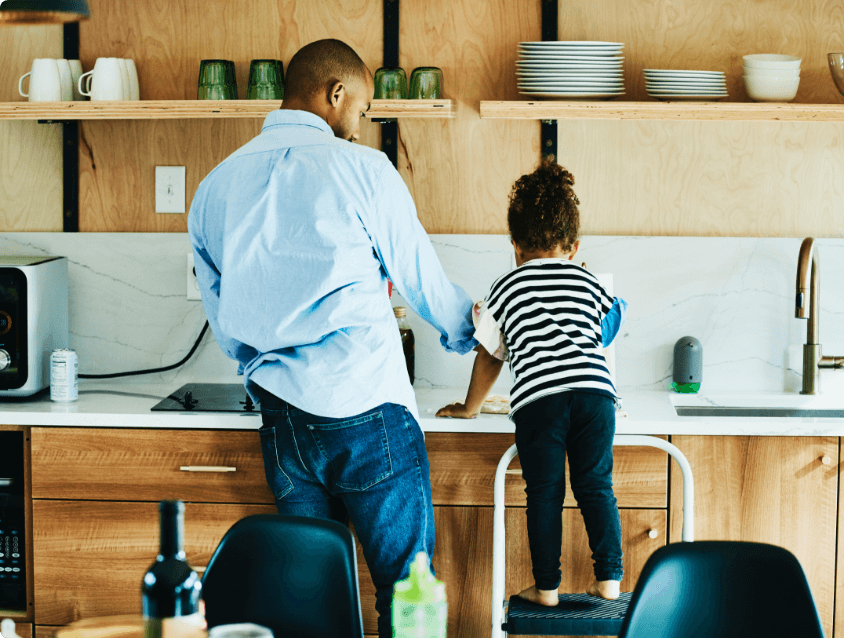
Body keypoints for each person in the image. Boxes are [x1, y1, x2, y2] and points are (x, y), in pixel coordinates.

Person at [188, 39, 477, 637]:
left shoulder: (216, 186)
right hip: (368, 410)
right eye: (364, 109)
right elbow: (420, 277)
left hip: (283, 423)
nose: (361, 123)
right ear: (336, 94)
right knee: (407, 599)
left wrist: (262, 366)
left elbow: (223, 316)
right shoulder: (365, 170)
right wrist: (476, 332)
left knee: (308, 605)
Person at [437, 160, 628, 605]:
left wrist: (470, 407)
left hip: (540, 400)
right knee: (596, 486)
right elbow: (609, 324)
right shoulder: (587, 279)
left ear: (515, 246)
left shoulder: (507, 285)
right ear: (575, 246)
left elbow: (489, 356)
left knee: (545, 493)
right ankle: (610, 581)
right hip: (596, 397)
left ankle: (546, 590)